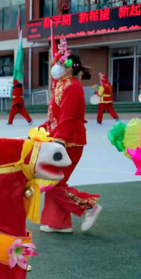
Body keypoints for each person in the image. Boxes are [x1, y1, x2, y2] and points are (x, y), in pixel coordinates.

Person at [40, 45, 101, 233]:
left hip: (69, 141)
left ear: (69, 67)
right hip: (60, 139)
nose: (55, 66)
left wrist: (59, 141)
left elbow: (68, 117)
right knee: (54, 182)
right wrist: (40, 131)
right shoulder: (62, 85)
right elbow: (54, 118)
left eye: (59, 63)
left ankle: (88, 207)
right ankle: (58, 223)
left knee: (52, 182)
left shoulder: (73, 87)